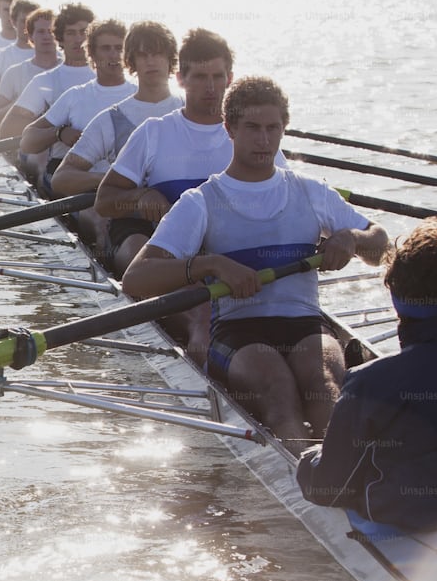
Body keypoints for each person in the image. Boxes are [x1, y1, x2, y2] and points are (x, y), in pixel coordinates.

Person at [121, 76, 389, 450]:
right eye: (252, 128)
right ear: (229, 128)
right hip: (237, 331)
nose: (264, 140)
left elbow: (380, 245)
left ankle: (342, 481)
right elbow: (136, 279)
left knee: (324, 384)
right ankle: (314, 482)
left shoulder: (311, 191)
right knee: (278, 389)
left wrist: (351, 238)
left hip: (305, 324)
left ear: (283, 129)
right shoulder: (200, 201)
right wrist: (208, 265)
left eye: (272, 128)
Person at [297, 218, 437, 532]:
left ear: (397, 299)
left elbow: (328, 487)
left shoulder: (370, 384)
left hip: (418, 527)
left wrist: (309, 457)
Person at [93, 28, 258, 365]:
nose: (211, 88)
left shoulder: (251, 134)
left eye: (218, 77)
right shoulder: (155, 132)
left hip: (222, 250)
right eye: (199, 77)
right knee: (201, 318)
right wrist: (140, 198)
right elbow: (104, 201)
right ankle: (210, 385)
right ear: (181, 78)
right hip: (163, 251)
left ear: (231, 79)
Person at [47, 21, 183, 245]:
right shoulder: (110, 119)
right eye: (142, 55)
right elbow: (61, 179)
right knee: (136, 249)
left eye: (158, 53)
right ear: (130, 62)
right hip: (131, 223)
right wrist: (113, 182)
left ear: (171, 60)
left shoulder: (190, 112)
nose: (151, 61)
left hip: (184, 218)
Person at [16, 19, 135, 187]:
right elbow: (27, 141)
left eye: (119, 48)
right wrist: (59, 133)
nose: (114, 55)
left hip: (128, 187)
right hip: (83, 188)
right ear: (92, 54)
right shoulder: (76, 96)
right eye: (106, 48)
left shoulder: (138, 94)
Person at [0, 3, 97, 140]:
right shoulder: (43, 81)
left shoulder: (112, 77)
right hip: (61, 159)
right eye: (71, 33)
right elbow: (7, 131)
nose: (79, 39)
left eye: (84, 32)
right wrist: (55, 130)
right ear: (59, 38)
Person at [0, 8, 63, 137]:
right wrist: (22, 102)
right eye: (41, 32)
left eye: (51, 31)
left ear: (59, 36)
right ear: (31, 36)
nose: (47, 36)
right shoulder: (15, 73)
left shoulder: (70, 70)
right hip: (25, 147)